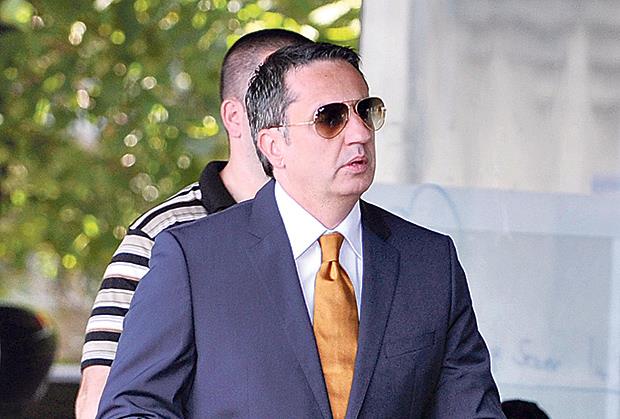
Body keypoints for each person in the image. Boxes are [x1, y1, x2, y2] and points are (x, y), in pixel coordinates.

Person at [97, 42, 505, 418]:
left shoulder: (429, 262)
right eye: (330, 118)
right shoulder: (193, 259)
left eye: (365, 111)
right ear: (273, 145)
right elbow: (132, 409)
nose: (361, 133)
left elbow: (472, 410)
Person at [74, 29, 312, 419]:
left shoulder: (340, 232)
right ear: (234, 116)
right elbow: (99, 399)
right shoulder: (161, 234)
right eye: (277, 101)